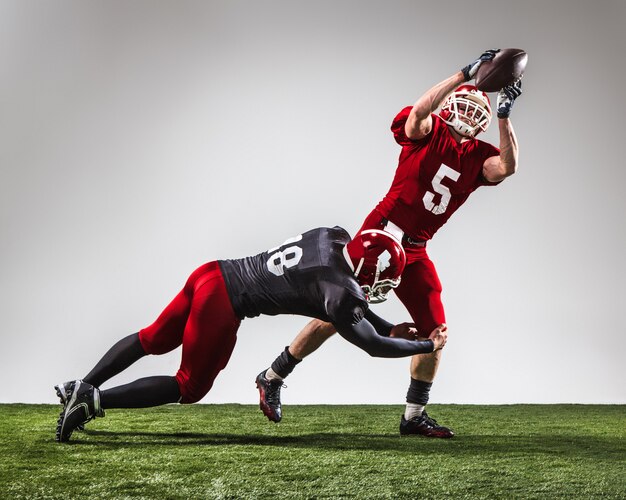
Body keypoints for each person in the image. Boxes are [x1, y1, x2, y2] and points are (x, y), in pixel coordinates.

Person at [256, 49, 523, 438]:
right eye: (463, 103)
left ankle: (413, 416)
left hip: (416, 248)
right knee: (340, 313)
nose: (468, 113)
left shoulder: (479, 156)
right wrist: (462, 74)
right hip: (382, 232)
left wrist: (504, 115)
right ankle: (272, 376)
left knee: (436, 332)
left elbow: (508, 166)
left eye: (476, 110)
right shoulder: (425, 132)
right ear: (450, 104)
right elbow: (417, 113)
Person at [54, 226, 448, 442]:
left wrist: (386, 325)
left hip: (211, 273)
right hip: (223, 305)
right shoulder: (341, 294)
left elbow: (352, 310)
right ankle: (93, 399)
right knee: (190, 387)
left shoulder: (335, 236)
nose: (385, 287)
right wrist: (426, 344)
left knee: (153, 338)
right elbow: (373, 345)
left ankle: (82, 385)